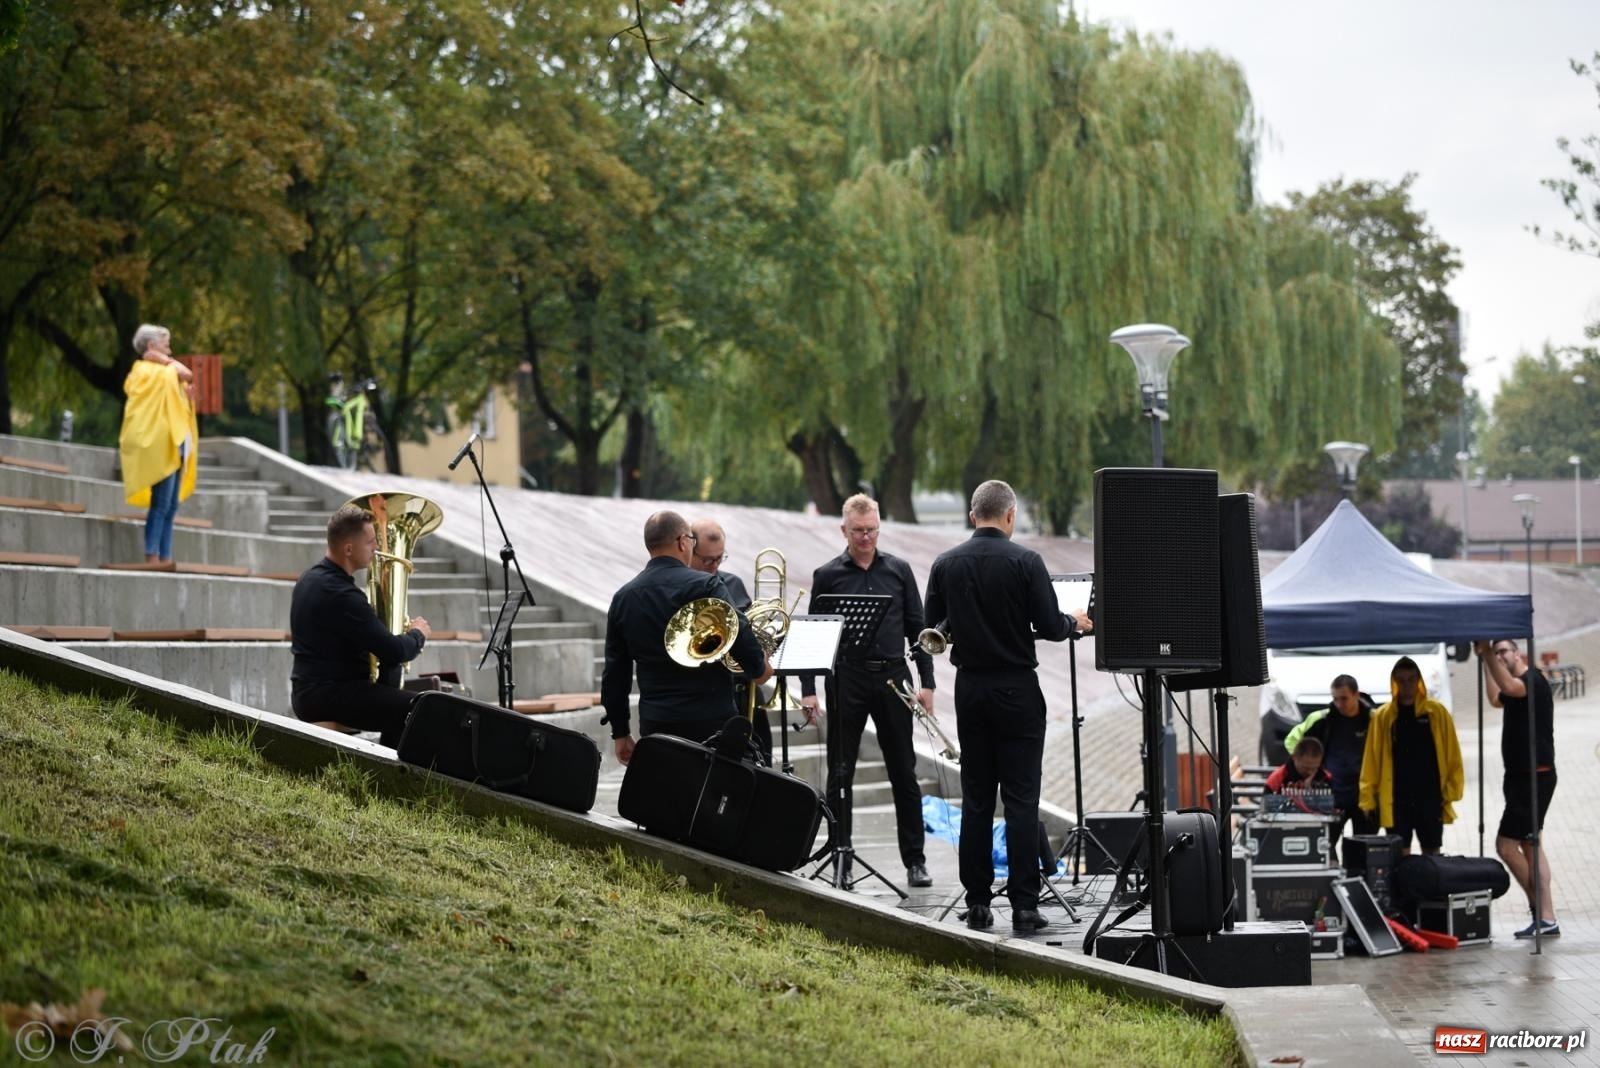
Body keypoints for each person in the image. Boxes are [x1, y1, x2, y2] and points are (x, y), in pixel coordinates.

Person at [924, 480, 1091, 931]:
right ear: (1010, 515)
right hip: (1017, 690)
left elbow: (930, 630)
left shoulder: (945, 564)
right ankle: (1024, 906)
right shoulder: (1026, 562)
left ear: (974, 515)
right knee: (1020, 800)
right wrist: (1072, 623)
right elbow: (1050, 626)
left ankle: (977, 902)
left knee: (977, 798)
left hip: (971, 690)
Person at [800, 494, 937, 889]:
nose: (866, 537)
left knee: (904, 773)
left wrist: (926, 683)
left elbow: (918, 628)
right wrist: (809, 690)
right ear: (844, 530)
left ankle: (915, 860)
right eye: (858, 531)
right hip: (847, 677)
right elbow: (814, 635)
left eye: (872, 530)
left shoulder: (899, 570)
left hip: (894, 675)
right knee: (840, 772)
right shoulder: (827, 575)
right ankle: (840, 855)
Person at [601, 511, 770, 767]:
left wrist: (620, 732)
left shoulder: (623, 597)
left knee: (667, 799)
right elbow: (740, 635)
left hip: (657, 722)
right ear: (683, 542)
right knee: (711, 800)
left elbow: (615, 673)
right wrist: (759, 669)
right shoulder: (706, 586)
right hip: (711, 722)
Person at [290, 504, 431, 746]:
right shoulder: (342, 595)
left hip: (310, 693)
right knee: (424, 708)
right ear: (348, 548)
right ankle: (391, 771)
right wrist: (418, 634)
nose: (377, 547)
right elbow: (394, 651)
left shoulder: (309, 578)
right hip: (330, 695)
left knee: (397, 700)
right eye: (370, 542)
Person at [1477, 638, 1559, 938]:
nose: (1500, 656)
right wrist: (1485, 661)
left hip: (1533, 777)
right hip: (1520, 777)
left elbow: (1510, 689)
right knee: (1531, 845)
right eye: (1496, 651)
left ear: (1517, 653)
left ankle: (1543, 912)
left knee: (1506, 845)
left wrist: (1487, 654)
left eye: (1503, 652)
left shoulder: (1532, 680)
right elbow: (1496, 698)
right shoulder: (1513, 685)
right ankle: (1546, 916)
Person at [1358, 657, 1464, 857]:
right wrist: (1367, 798)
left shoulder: (1437, 713)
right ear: (1394, 682)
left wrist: (1451, 791)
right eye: (1401, 680)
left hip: (1430, 796)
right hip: (1396, 798)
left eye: (1411, 679)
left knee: (1432, 852)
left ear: (1419, 681)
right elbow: (1371, 760)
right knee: (1399, 853)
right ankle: (1403, 888)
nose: (1406, 685)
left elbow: (1453, 755)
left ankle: (1431, 887)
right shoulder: (1383, 717)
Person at [689, 518, 775, 765]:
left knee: (761, 759)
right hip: (707, 694)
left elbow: (752, 633)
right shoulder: (683, 589)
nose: (715, 565)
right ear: (689, 552)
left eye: (720, 558)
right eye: (707, 560)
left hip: (743, 688)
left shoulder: (733, 583)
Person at [118, 323, 198, 564]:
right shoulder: (143, 370)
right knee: (161, 503)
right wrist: (164, 363)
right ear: (152, 346)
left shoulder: (164, 371)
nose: (170, 350)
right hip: (159, 445)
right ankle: (152, 554)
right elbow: (185, 373)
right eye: (165, 345)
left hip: (175, 443)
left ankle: (165, 555)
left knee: (171, 506)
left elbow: (185, 383)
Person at [1283, 675, 1376, 857]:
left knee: (1363, 852)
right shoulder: (1323, 720)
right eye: (1335, 698)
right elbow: (1297, 744)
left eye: (1344, 698)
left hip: (1365, 798)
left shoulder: (1373, 720)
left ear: (1356, 695)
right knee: (1324, 848)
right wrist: (1306, 773)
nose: (1339, 704)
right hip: (1332, 797)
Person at [1264, 736, 1334, 794]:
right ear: (1294, 758)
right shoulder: (1277, 779)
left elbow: (1332, 807)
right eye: (1305, 768)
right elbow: (1265, 807)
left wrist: (1310, 791)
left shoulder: (1325, 778)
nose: (1309, 772)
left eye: (1314, 769)